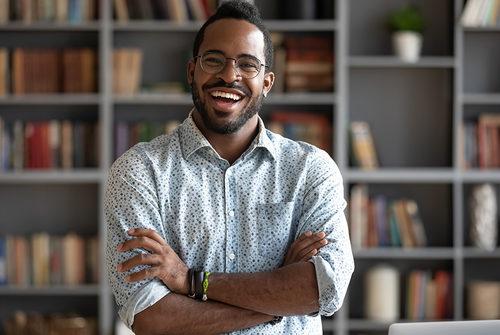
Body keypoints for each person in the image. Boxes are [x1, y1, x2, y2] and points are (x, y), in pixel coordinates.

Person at [105, 1, 354, 334]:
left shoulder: (311, 170)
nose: (229, 74)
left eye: (247, 65)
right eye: (214, 60)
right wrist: (279, 298)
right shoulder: (139, 172)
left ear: (266, 82)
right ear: (192, 71)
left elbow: (325, 288)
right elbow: (153, 318)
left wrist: (190, 281)